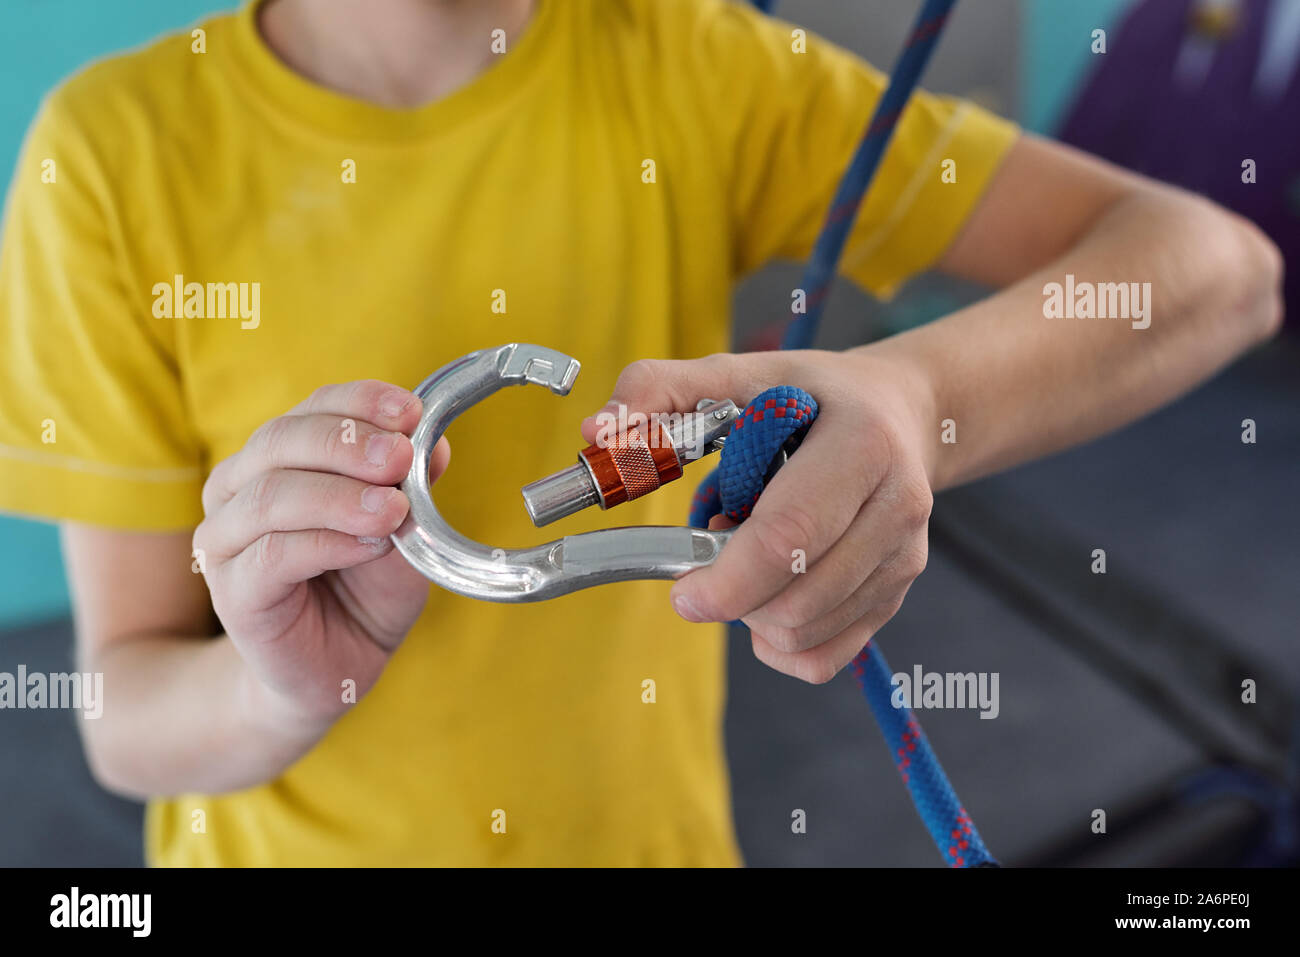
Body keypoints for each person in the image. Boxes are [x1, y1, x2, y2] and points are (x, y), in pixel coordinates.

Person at [0, 0, 1281, 867]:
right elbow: (122, 709)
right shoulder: (113, 159)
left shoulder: (698, 68)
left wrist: (916, 402)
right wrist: (283, 683)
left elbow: (1217, 268)